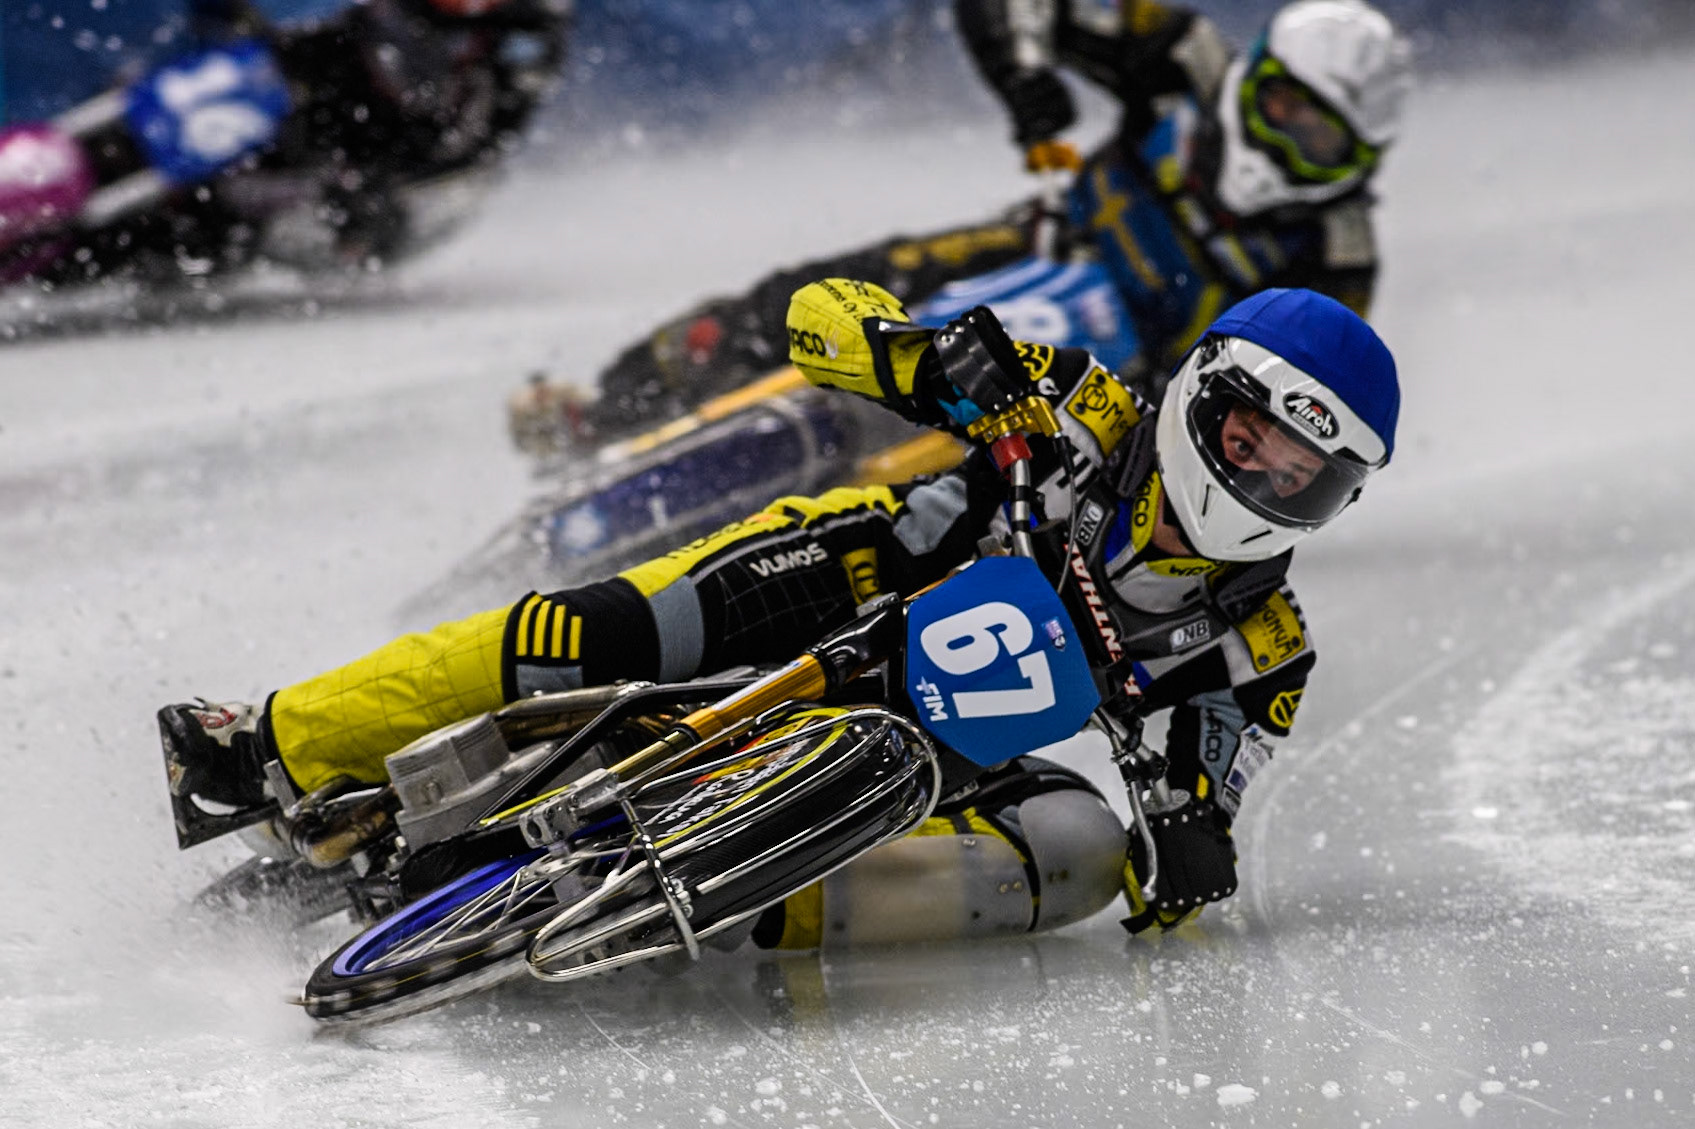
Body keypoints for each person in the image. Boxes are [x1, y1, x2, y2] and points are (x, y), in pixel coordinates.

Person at [160, 275, 1399, 940]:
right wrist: (914, 356)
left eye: (1302, 476)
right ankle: (268, 738)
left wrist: (1191, 845)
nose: (1264, 480)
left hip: (954, 742)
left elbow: (1207, 803)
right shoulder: (1073, 402)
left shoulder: (1264, 649)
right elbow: (820, 318)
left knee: (1078, 860)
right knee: (584, 635)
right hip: (838, 576)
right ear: (1205, 397)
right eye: (1252, 440)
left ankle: (745, 907)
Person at [508, 0, 1410, 456]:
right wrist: (1027, 81)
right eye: (1283, 105)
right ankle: (604, 411)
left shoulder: (1336, 259)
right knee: (815, 291)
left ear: (1358, 159)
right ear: (1254, 77)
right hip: (1040, 240)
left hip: (1116, 382)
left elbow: (1285, 404)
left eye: (1320, 135)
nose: (1289, 139)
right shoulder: (1186, 57)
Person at [0, 0, 569, 287]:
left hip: (352, 196)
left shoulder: (507, 59)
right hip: (254, 136)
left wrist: (375, 201)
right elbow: (304, 50)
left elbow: (458, 170)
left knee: (187, 230)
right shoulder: (384, 19)